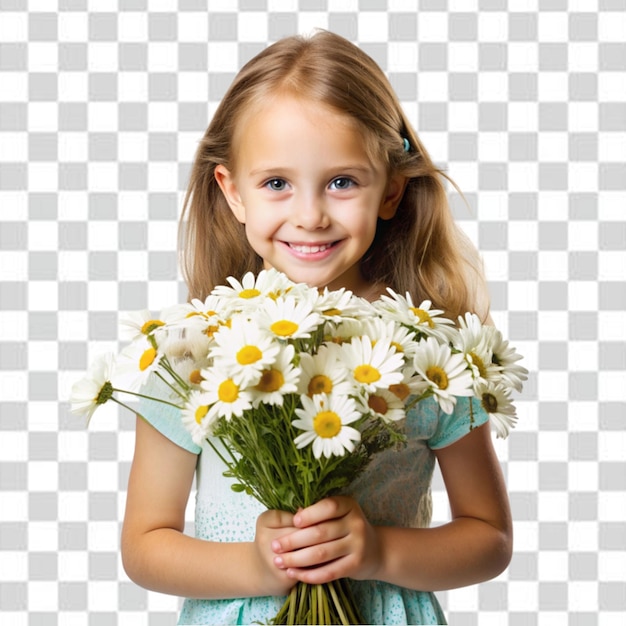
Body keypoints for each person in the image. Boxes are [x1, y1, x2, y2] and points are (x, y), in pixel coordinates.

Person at [121, 30, 513, 625]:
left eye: (342, 181)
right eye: (276, 183)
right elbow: (145, 545)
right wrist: (259, 568)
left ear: (391, 190)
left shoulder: (428, 356)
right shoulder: (194, 355)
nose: (310, 215)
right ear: (233, 193)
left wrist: (379, 551)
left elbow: (489, 538)